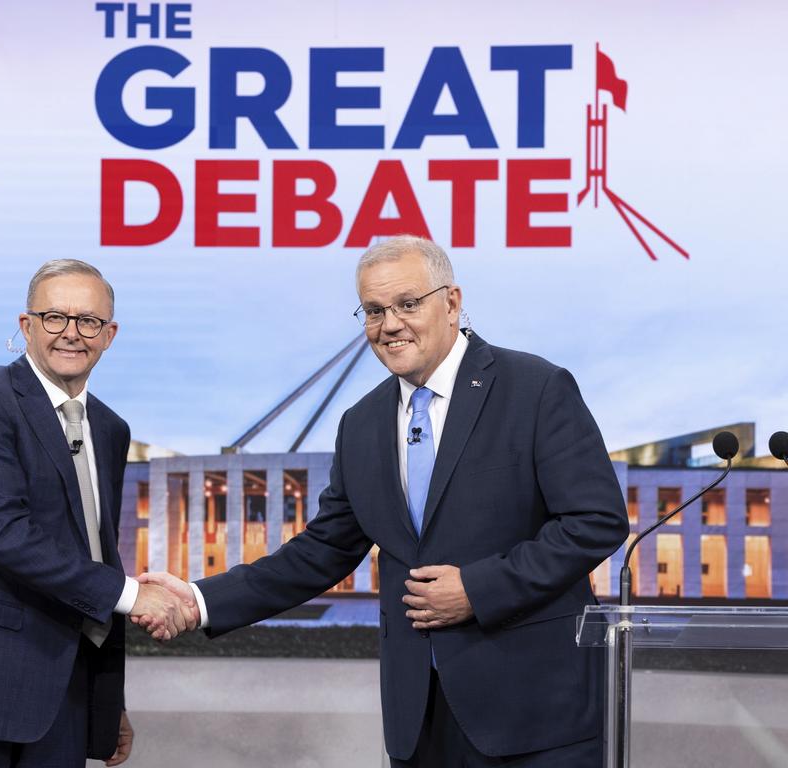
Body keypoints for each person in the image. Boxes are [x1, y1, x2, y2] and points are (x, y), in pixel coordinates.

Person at [140, 236, 629, 767]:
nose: (389, 324)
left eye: (407, 304)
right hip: (417, 720)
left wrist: (477, 588)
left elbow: (595, 521)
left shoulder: (535, 388)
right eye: (373, 311)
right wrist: (198, 600)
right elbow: (321, 551)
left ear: (453, 302)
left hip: (535, 713)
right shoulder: (361, 424)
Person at [0, 259, 193, 767]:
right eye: (55, 318)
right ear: (26, 326)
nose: (71, 333)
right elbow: (7, 537)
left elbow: (94, 554)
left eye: (88, 321)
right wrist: (138, 596)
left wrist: (103, 698)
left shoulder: (111, 429)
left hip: (61, 703)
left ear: (109, 335)